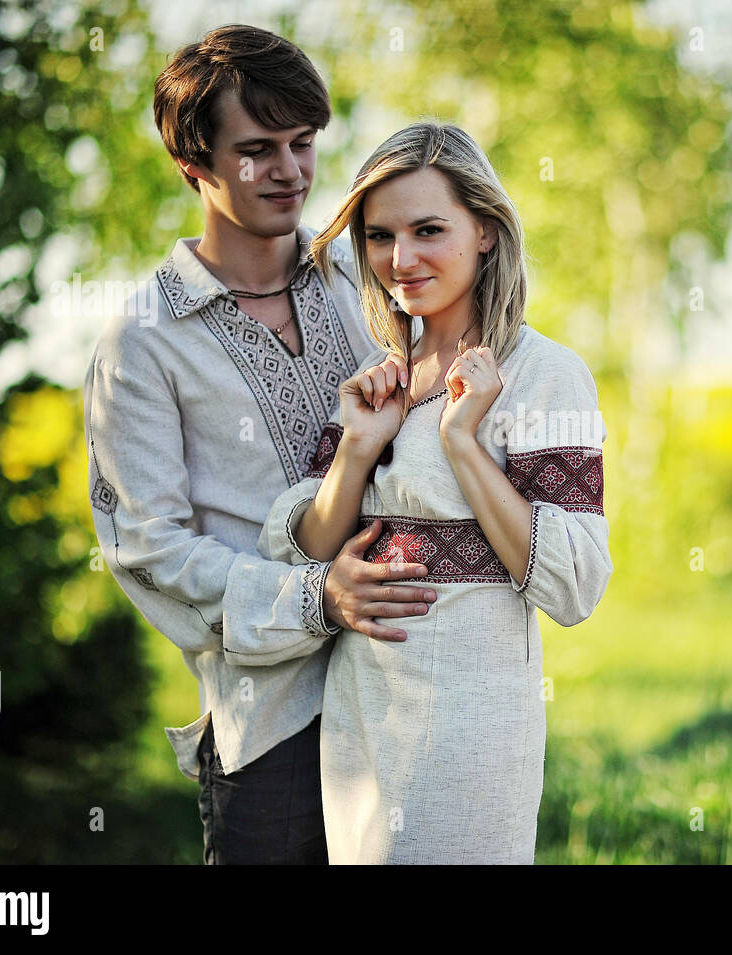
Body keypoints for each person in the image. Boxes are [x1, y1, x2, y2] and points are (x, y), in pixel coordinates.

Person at [83, 24, 435, 864]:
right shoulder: (142, 341)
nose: (289, 170)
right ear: (192, 164)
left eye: (303, 143)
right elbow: (150, 549)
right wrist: (318, 596)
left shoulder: (369, 277)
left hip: (412, 690)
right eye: (256, 149)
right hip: (273, 728)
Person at [257, 122, 612, 863]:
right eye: (381, 236)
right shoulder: (379, 380)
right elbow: (309, 547)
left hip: (470, 727)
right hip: (360, 720)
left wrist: (462, 441)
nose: (400, 259)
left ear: (484, 230)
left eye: (427, 229)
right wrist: (357, 443)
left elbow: (576, 584)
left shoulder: (546, 373)